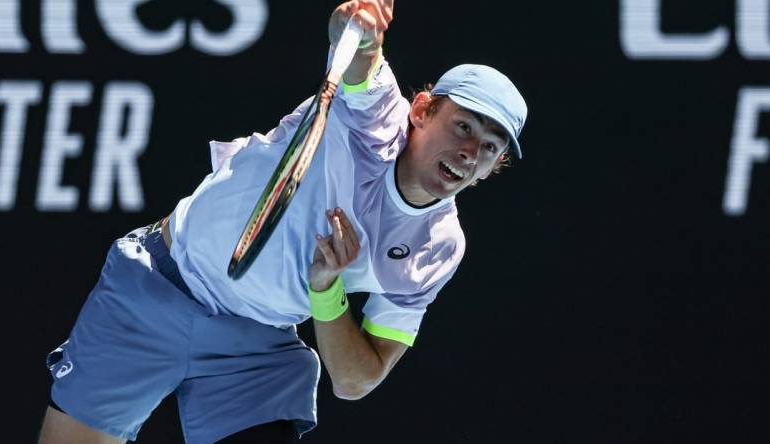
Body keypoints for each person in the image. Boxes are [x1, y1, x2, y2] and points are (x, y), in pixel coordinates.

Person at [38, 1, 527, 443]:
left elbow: (356, 379)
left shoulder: (438, 246)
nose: (468, 153)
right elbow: (360, 51)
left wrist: (326, 290)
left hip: (255, 346)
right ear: (422, 111)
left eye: (489, 148)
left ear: (492, 168)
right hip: (157, 287)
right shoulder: (375, 117)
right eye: (463, 126)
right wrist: (359, 25)